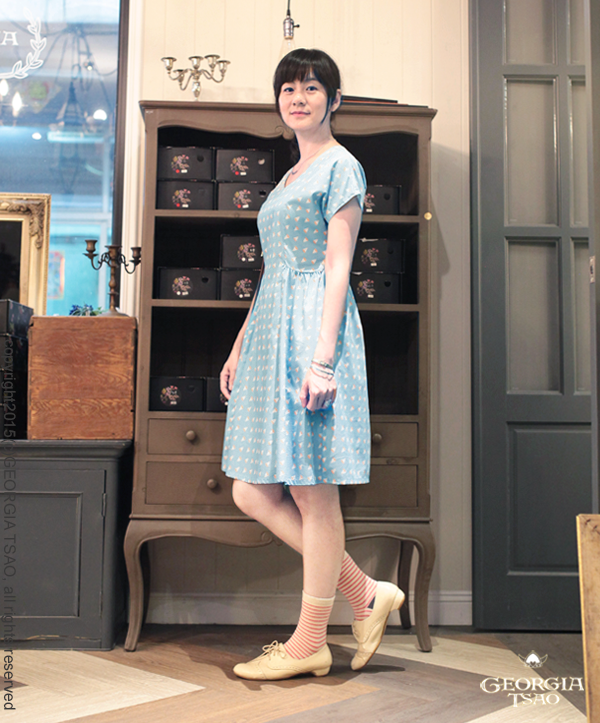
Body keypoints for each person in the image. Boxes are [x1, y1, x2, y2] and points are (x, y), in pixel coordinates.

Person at [219, 48, 405, 681]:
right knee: (251, 490)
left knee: (310, 488)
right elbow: (272, 272)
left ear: (334, 99)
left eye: (311, 87)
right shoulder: (290, 175)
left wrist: (323, 361)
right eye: (288, 88)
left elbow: (337, 268)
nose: (298, 98)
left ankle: (311, 642)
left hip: (311, 336)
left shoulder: (341, 166)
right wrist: (239, 345)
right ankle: (365, 594)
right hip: (270, 333)